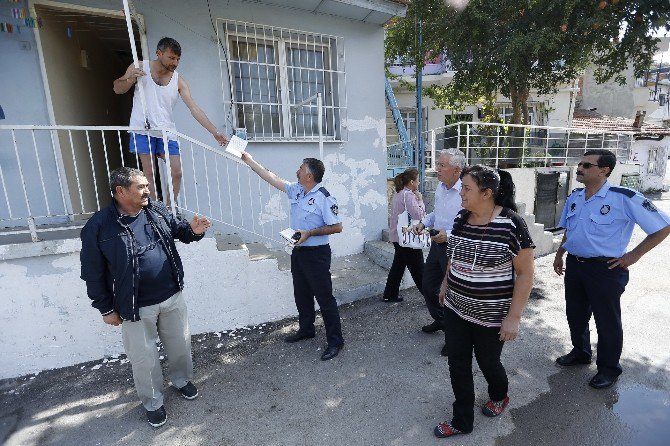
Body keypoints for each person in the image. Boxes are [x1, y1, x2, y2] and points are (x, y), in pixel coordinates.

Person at [80, 167, 212, 428]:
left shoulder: (156, 209)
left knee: (180, 345)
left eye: (146, 186)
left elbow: (181, 232)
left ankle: (182, 380)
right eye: (140, 187)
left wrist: (195, 230)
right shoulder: (98, 226)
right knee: (144, 357)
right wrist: (106, 309)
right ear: (120, 191)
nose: (147, 191)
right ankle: (153, 402)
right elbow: (92, 273)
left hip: (172, 296)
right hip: (134, 307)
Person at [553, 149, 670, 389]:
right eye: (580, 164)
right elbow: (570, 229)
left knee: (607, 321)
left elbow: (663, 226)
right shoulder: (576, 196)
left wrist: (633, 255)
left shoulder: (624, 197)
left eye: (587, 165)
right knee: (575, 314)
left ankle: (608, 369)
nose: (580, 168)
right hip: (575, 265)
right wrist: (560, 254)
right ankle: (581, 352)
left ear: (604, 170)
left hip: (605, 269)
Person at [433, 166, 535, 438]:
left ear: (487, 193)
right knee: (457, 363)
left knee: (488, 362)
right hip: (456, 308)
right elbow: (453, 256)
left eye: (466, 188)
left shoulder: (512, 224)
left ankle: (499, 395)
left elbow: (525, 274)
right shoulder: (460, 218)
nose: (461, 193)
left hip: (491, 315)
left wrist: (514, 317)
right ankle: (462, 420)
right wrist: (445, 283)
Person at [241, 152, 345, 360]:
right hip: (298, 251)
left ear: (309, 176)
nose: (297, 171)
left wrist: (310, 233)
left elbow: (337, 227)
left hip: (317, 254)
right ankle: (307, 329)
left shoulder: (324, 197)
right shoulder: (297, 190)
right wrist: (249, 160)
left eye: (301, 168)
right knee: (301, 293)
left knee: (324, 297)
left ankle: (336, 341)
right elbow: (271, 178)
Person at [113, 37, 229, 201]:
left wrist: (215, 132)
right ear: (159, 53)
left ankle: (169, 206)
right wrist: (130, 78)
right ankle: (154, 210)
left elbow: (194, 109)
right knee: (149, 173)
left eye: (178, 59)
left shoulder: (178, 80)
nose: (175, 62)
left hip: (166, 130)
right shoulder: (139, 67)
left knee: (177, 172)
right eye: (171, 58)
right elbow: (118, 89)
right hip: (142, 128)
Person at [412, 149, 465, 356]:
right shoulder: (441, 187)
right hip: (437, 246)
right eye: (438, 164)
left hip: (455, 247)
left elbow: (470, 224)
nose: (437, 168)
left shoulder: (465, 191)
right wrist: (423, 222)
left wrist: (449, 235)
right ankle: (442, 322)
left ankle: (454, 338)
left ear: (456, 170)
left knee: (453, 294)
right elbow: (437, 213)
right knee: (428, 285)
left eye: (442, 165)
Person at [383, 168, 426, 302]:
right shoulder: (409, 195)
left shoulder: (399, 193)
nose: (419, 183)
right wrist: (420, 200)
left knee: (398, 266)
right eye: (418, 181)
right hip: (408, 238)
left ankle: (389, 294)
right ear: (412, 182)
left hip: (398, 236)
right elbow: (418, 215)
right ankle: (433, 299)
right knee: (419, 270)